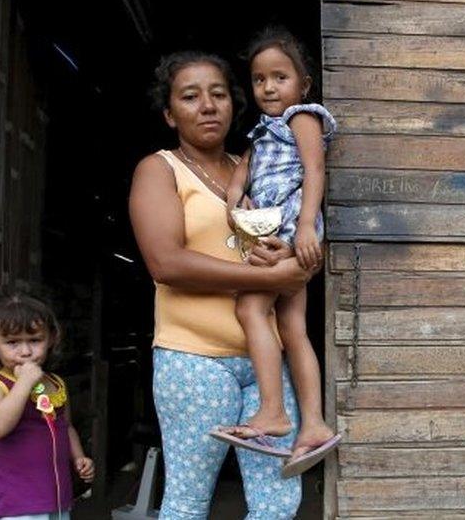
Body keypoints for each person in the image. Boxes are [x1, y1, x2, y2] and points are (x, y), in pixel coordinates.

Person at [129, 50, 315, 519]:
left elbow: (297, 232)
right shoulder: (160, 169)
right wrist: (265, 275)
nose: (208, 106)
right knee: (190, 500)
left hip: (264, 363)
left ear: (234, 104)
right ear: (170, 114)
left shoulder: (257, 163)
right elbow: (165, 262)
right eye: (190, 97)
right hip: (194, 360)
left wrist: (289, 256)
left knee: (278, 502)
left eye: (218, 94)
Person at [216, 27, 339, 478]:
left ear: (303, 84)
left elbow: (315, 170)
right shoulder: (261, 134)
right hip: (269, 232)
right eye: (259, 79)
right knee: (292, 328)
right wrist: (234, 203)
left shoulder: (302, 119)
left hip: (292, 235)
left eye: (280, 77)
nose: (269, 87)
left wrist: (307, 226)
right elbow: (239, 177)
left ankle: (272, 411)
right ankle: (314, 425)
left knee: (250, 307)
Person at [0, 293, 94, 520]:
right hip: (17, 502)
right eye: (12, 342)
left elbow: (66, 427)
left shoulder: (56, 383)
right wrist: (24, 383)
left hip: (56, 498)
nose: (25, 352)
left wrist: (79, 457)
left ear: (51, 339)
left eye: (35, 340)